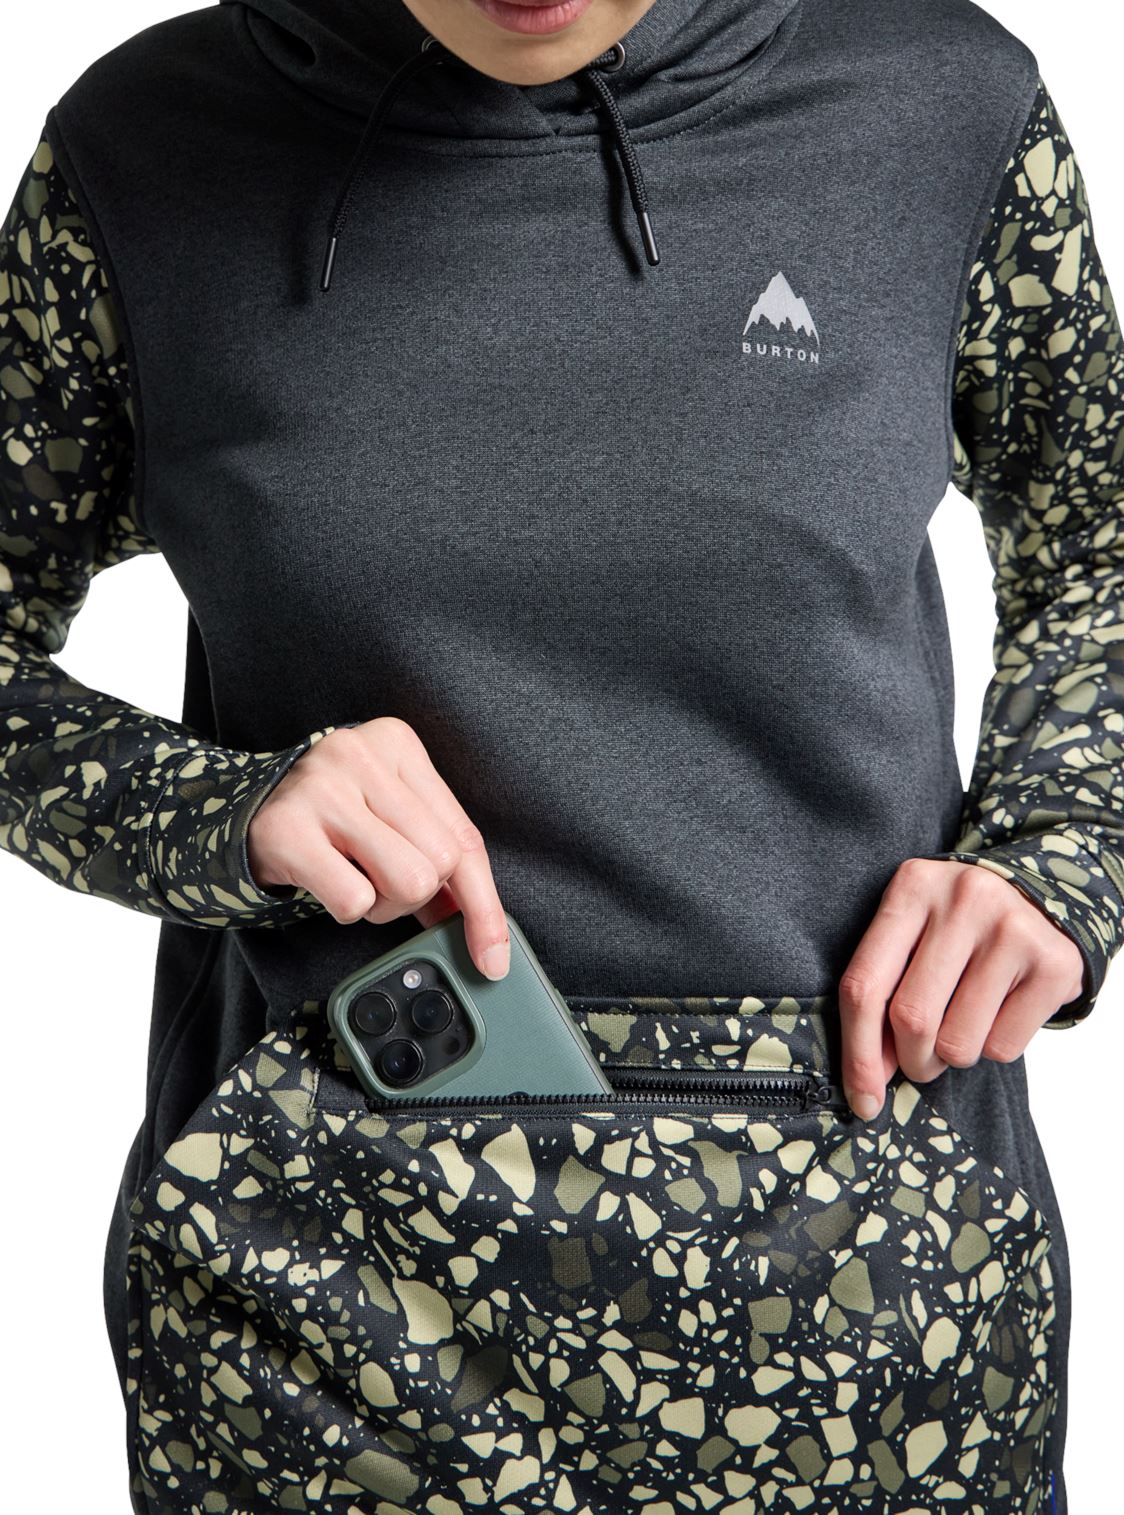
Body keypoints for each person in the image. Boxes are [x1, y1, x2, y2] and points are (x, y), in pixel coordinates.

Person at [1, 0, 1119, 1509]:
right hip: (328, 1324)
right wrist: (218, 813)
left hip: (878, 1310)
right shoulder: (148, 149)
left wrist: (1061, 843)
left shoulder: (943, 108)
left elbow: (1100, 547)